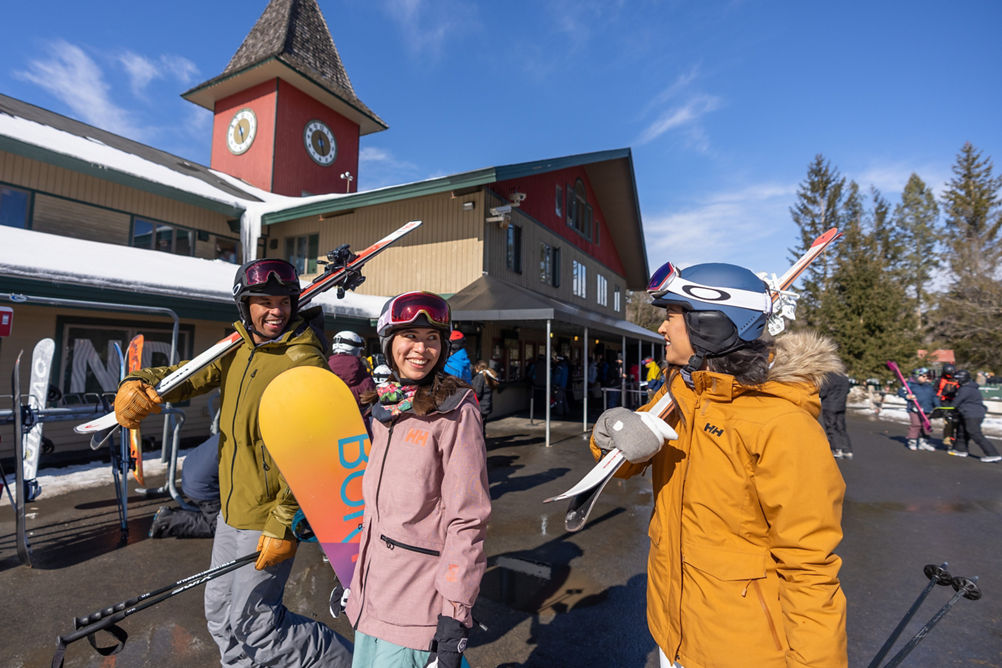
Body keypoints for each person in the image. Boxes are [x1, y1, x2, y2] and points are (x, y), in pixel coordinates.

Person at [590, 260, 847, 667]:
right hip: (671, 633)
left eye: (672, 316)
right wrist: (610, 436)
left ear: (710, 324)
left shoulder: (782, 425)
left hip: (739, 648)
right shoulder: (682, 393)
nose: (661, 328)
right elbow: (628, 458)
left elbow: (809, 565)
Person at [113, 258, 350, 667]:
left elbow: (316, 452)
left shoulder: (302, 362)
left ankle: (353, 662)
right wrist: (139, 383)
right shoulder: (237, 349)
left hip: (269, 517)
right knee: (221, 617)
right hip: (231, 512)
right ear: (245, 305)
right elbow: (186, 376)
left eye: (284, 301)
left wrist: (285, 521)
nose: (275, 310)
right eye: (263, 300)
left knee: (258, 626)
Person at [346, 291, 490, 668]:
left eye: (431, 339)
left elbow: (468, 519)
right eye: (410, 336)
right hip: (370, 604)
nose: (421, 349)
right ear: (389, 342)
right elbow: (380, 512)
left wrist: (455, 615)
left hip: (415, 610)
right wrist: (354, 582)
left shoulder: (456, 412)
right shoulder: (386, 408)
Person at [148, 432, 221, 539]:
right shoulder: (244, 444)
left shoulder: (232, 428)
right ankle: (167, 521)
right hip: (201, 485)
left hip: (192, 468)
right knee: (222, 528)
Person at [948, 369, 1002, 462]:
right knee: (962, 431)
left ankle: (993, 454)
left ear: (963, 378)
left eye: (958, 379)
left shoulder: (966, 389)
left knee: (975, 433)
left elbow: (956, 402)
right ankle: (961, 450)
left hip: (972, 414)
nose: (956, 381)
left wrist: (948, 410)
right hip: (968, 413)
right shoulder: (969, 387)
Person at [327, 329, 376, 410]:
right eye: (360, 351)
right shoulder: (365, 378)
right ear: (355, 350)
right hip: (358, 421)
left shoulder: (324, 370)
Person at [897, 367, 938, 452]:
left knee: (926, 426)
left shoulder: (929, 386)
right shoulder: (910, 385)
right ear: (917, 376)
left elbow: (934, 397)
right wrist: (907, 396)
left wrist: (938, 406)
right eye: (923, 376)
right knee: (916, 424)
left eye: (927, 376)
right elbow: (901, 392)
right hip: (914, 409)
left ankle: (923, 442)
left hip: (927, 409)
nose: (926, 378)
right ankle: (912, 440)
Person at [820, 370, 855, 459]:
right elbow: (847, 390)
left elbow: (823, 392)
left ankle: (836, 448)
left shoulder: (828, 377)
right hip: (841, 405)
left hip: (829, 405)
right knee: (841, 428)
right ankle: (847, 449)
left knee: (831, 427)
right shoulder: (843, 377)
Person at [471, 359, 500, 435]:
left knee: (479, 429)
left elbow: (477, 393)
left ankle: (481, 446)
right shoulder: (488, 375)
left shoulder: (480, 377)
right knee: (482, 427)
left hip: (480, 406)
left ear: (477, 367)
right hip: (486, 405)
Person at [936, 364, 961, 447]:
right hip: (945, 403)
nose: (949, 376)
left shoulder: (958, 379)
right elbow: (935, 391)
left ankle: (958, 440)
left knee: (958, 423)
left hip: (957, 403)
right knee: (948, 422)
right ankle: (947, 440)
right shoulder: (940, 380)